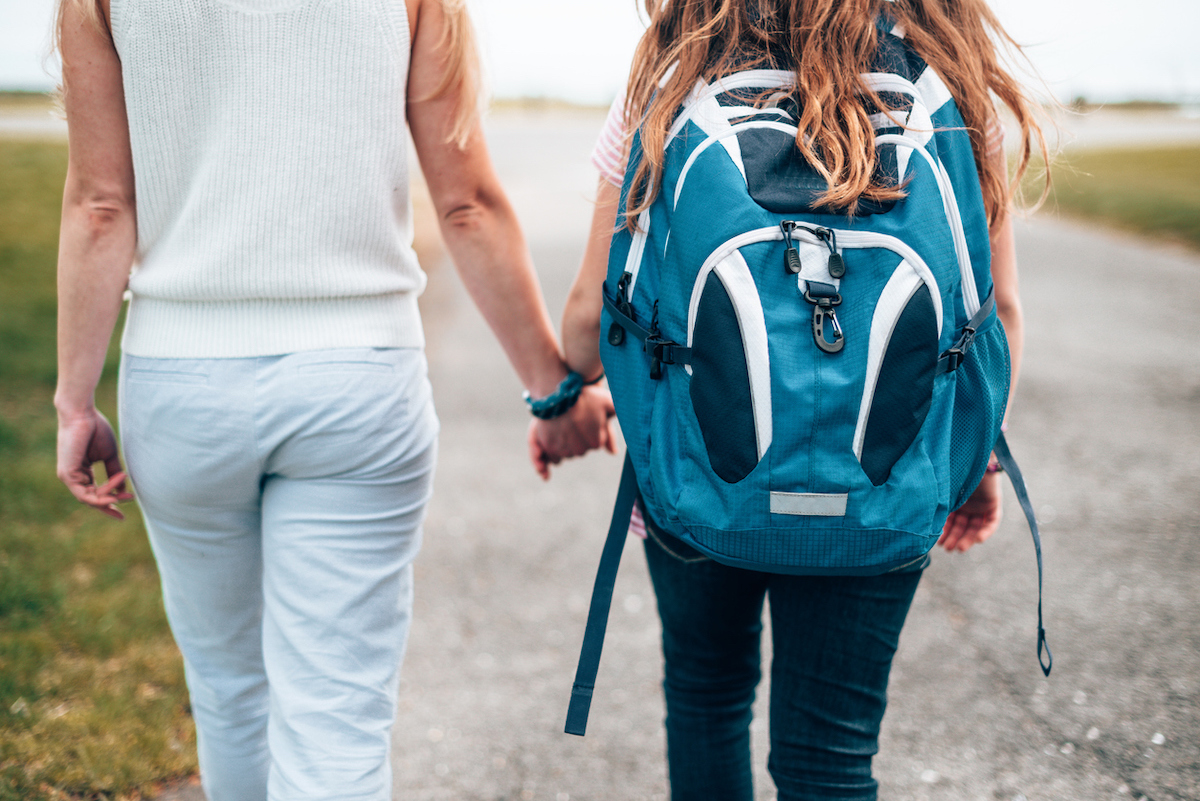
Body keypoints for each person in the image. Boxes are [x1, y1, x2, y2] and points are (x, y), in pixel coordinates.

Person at [52, 0, 613, 796]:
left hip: (181, 383)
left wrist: (77, 401)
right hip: (357, 381)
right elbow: (466, 203)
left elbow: (100, 204)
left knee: (229, 697)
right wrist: (555, 394)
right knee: (337, 719)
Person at [532, 0, 1048, 798]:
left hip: (694, 479)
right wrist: (975, 460)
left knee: (707, 701)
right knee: (832, 752)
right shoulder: (947, 81)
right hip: (885, 477)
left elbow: (591, 316)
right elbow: (992, 314)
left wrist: (569, 392)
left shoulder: (674, 73)